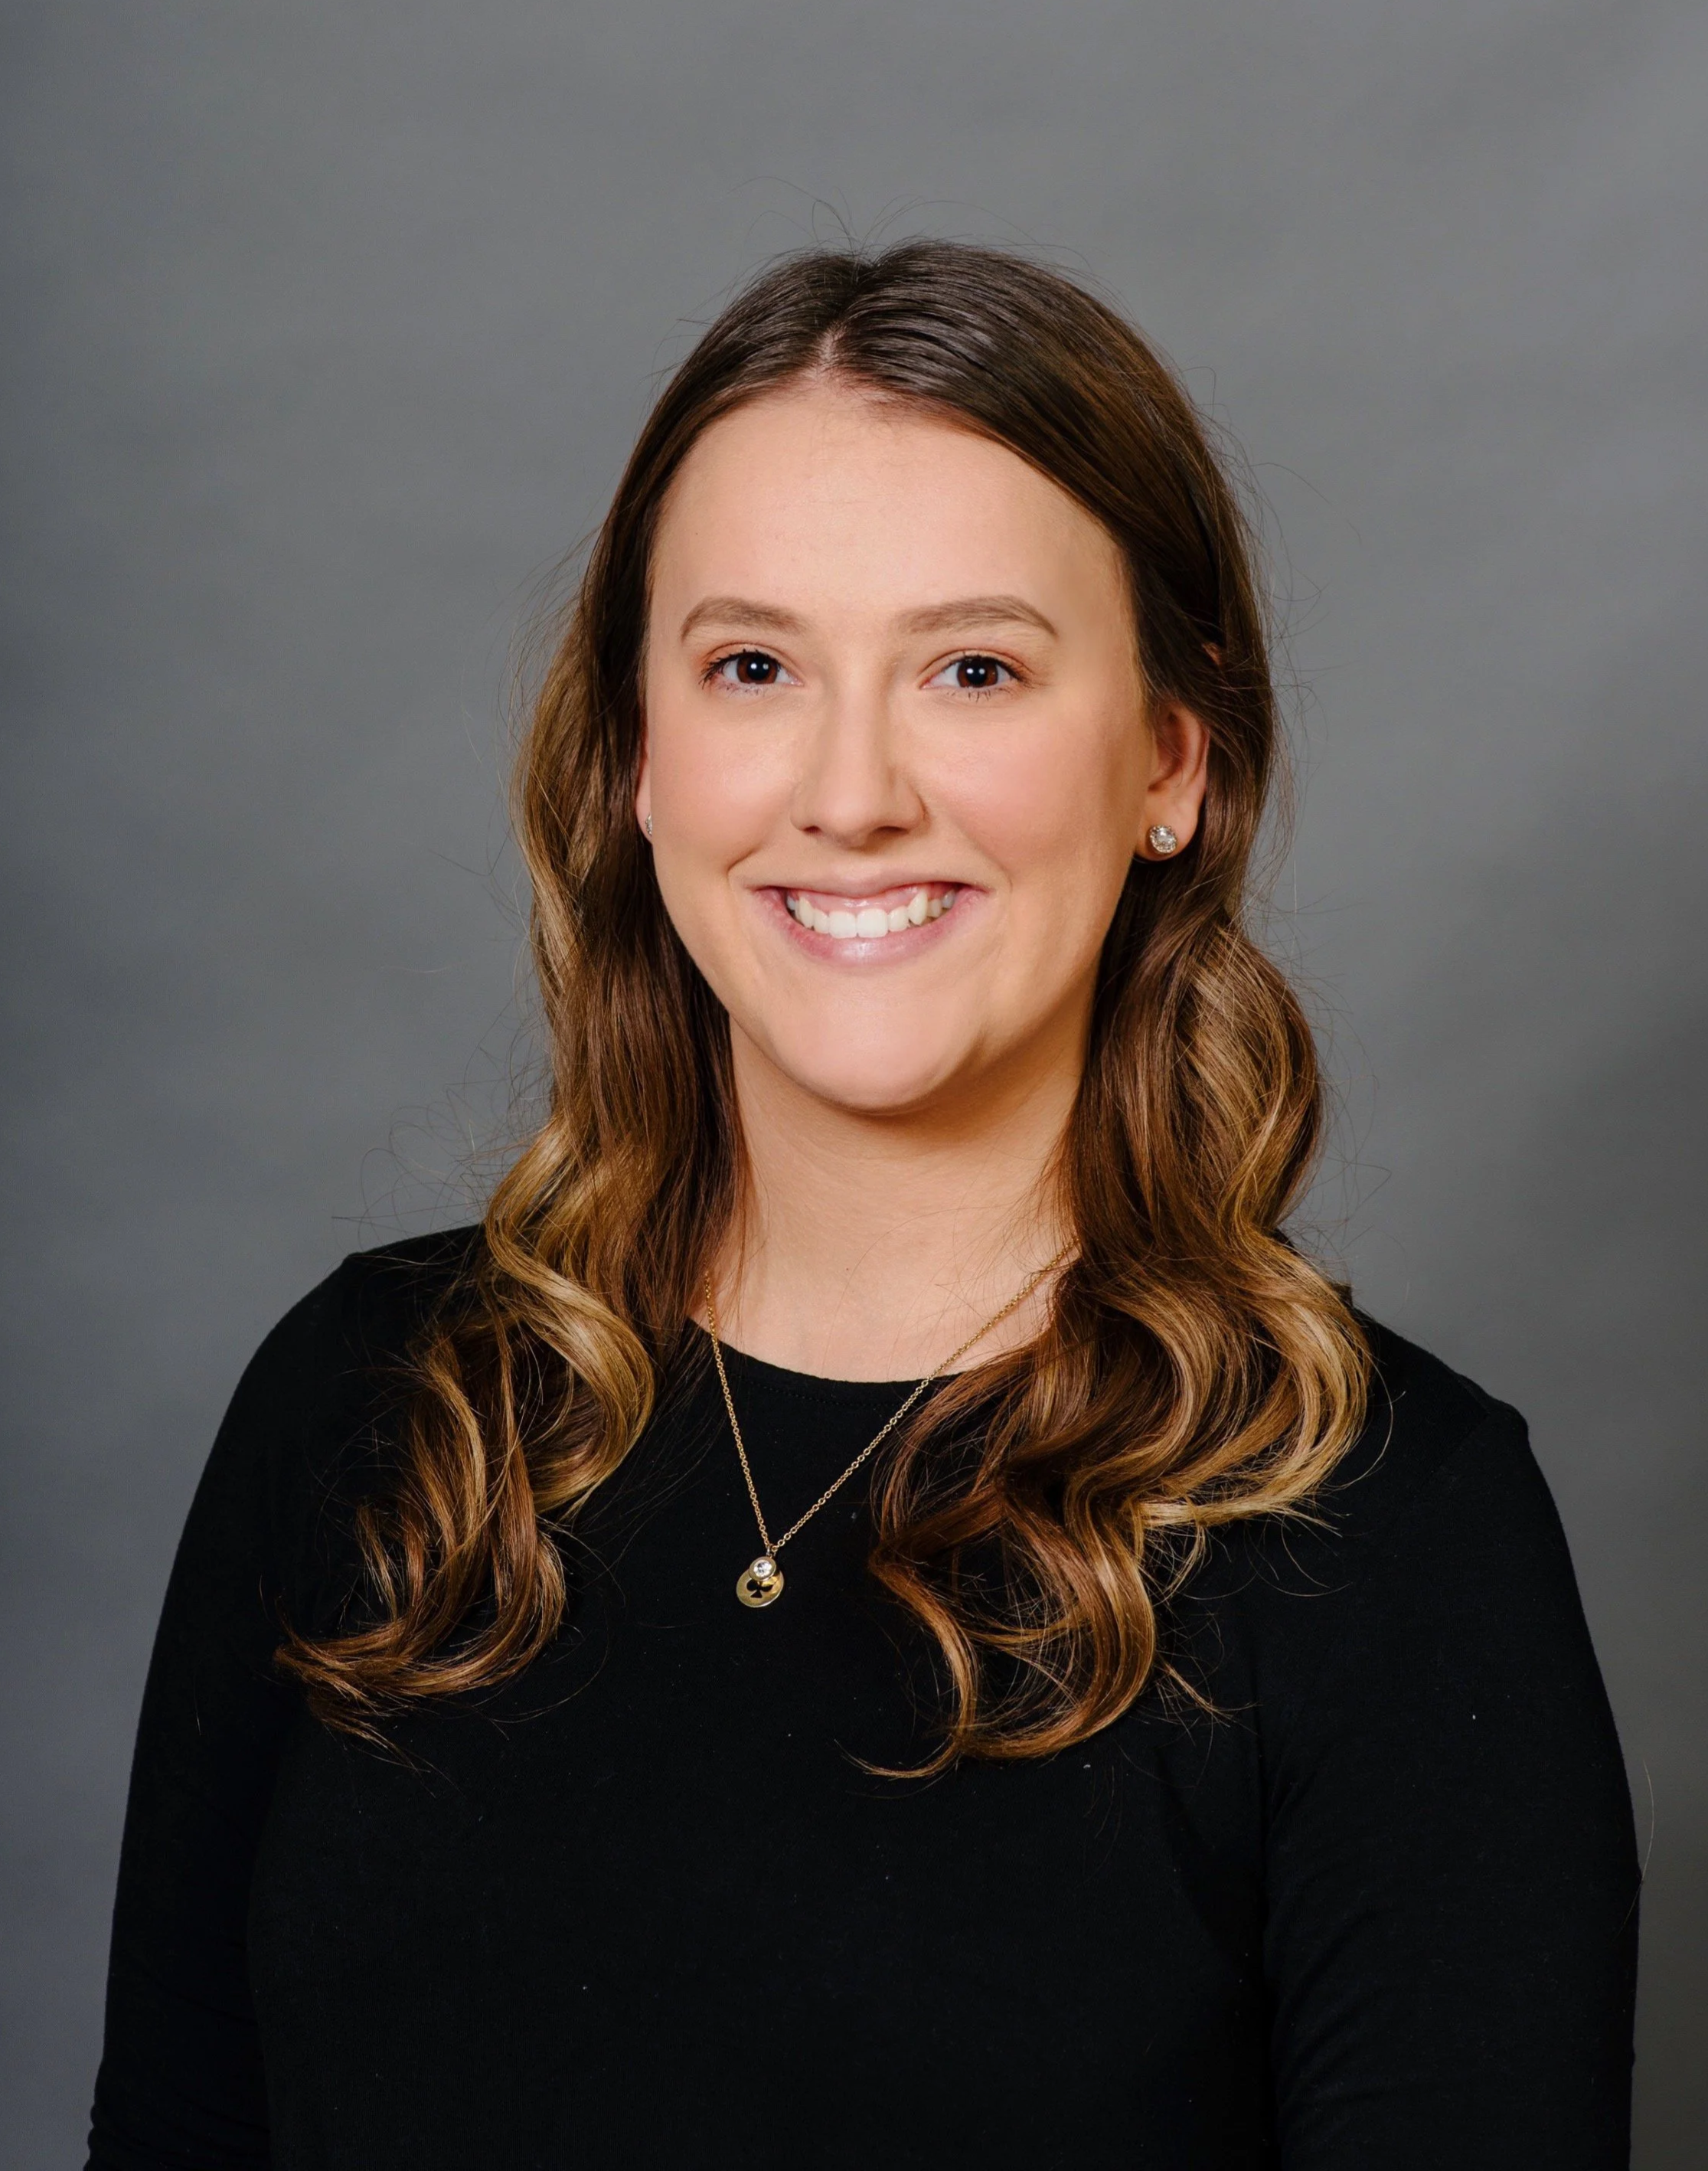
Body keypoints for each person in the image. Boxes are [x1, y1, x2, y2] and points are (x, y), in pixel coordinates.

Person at [87, 240, 1638, 2169]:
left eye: (970, 669)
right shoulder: (367, 1413)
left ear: (1170, 761)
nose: (848, 792)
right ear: (639, 758)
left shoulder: (1392, 1536)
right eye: (752, 667)